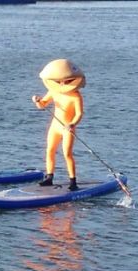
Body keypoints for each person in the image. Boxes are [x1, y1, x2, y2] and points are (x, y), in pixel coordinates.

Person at [31, 59, 85, 191]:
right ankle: (49, 178)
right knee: (50, 150)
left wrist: (72, 124)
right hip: (55, 126)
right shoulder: (53, 91)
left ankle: (73, 181)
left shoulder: (76, 96)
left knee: (67, 153)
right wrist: (37, 101)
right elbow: (42, 105)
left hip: (67, 128)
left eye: (67, 81)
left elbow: (79, 114)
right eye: (60, 81)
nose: (63, 83)